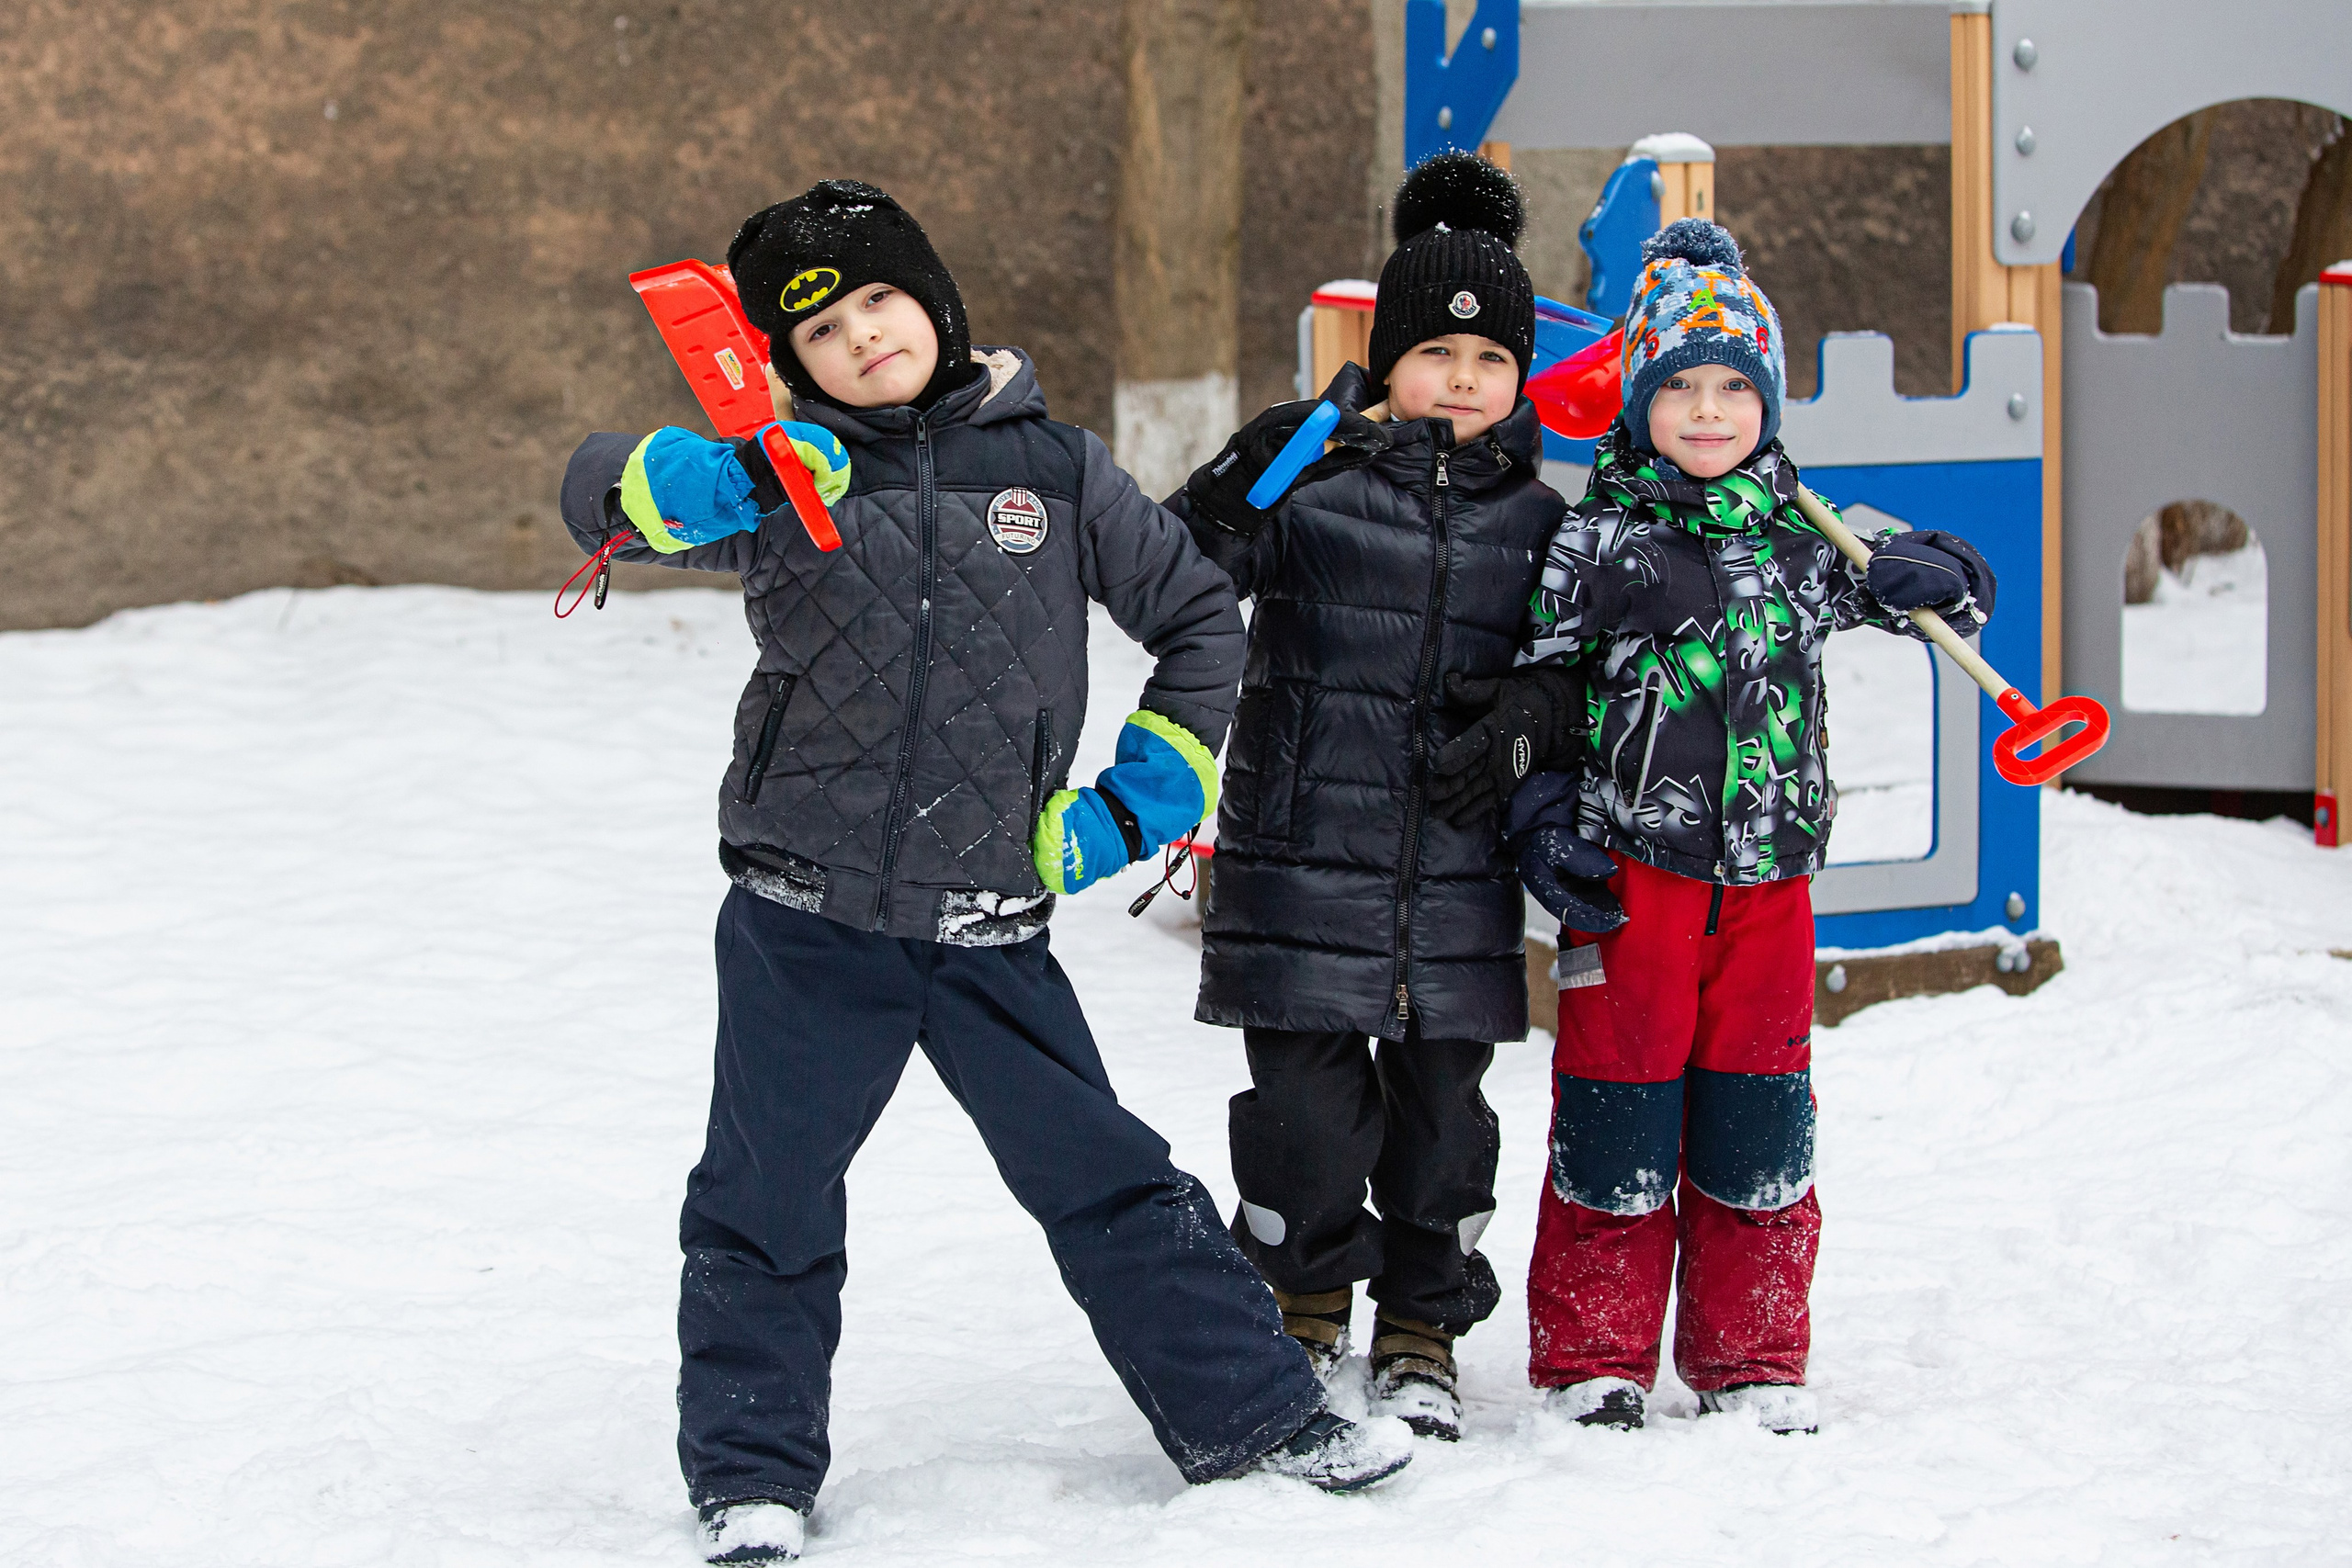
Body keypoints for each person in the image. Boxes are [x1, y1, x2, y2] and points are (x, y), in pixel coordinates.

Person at [558, 180, 1409, 1566]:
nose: (863, 339)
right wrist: (676, 481)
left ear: (938, 306)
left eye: (882, 301)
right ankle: (752, 1479)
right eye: (822, 331)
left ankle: (1259, 1419)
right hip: (803, 911)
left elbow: (1198, 616)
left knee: (1110, 1180)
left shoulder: (1058, 470)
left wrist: (1140, 801)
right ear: (794, 365)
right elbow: (590, 496)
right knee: (764, 1200)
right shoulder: (785, 477)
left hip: (990, 920)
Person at [1502, 219, 1998, 1436]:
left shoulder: (1808, 536)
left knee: (1759, 1116)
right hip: (1634, 876)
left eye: (1738, 388)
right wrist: (1535, 809)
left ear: (1768, 405)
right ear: (1641, 402)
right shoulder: (1595, 539)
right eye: (1684, 387)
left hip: (1770, 884)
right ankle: (1595, 1361)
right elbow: (1537, 682)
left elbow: (1936, 583)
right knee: (1616, 1111)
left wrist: (1939, 572)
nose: (1712, 411)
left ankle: (1749, 1358)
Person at [1170, 152, 1581, 1442]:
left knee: (1446, 1122)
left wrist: (1539, 714)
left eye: (1489, 364)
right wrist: (1238, 483)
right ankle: (1300, 1305)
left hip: (1460, 875)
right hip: (1301, 855)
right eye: (1436, 356)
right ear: (1389, 361)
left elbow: (1593, 664)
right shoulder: (1313, 484)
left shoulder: (1548, 522)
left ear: (1518, 380)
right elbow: (1177, 573)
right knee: (1299, 1116)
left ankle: (1419, 1323)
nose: (1461, 382)